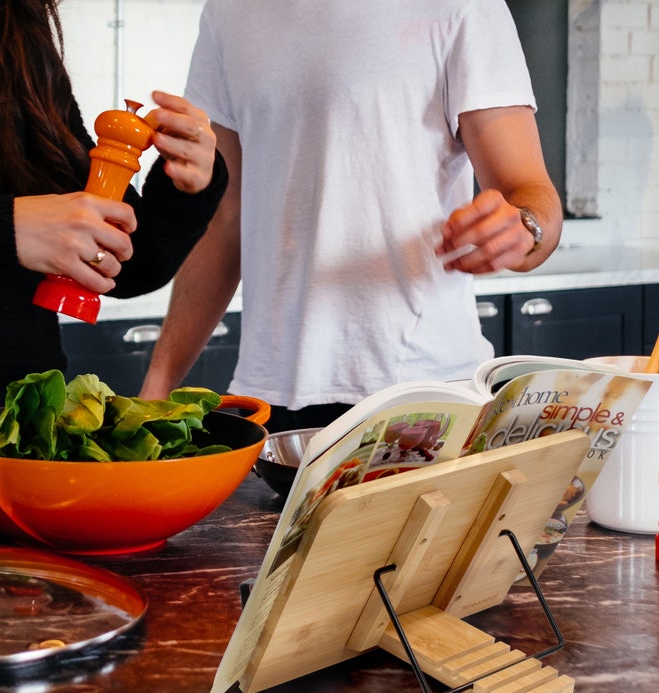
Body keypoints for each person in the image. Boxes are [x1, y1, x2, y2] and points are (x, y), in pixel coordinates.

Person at [0, 0, 227, 507]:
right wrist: (3, 229)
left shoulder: (14, 28)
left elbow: (117, 264)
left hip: (25, 422)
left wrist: (183, 190)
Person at [139, 0, 564, 433]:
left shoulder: (464, 7)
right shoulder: (227, 13)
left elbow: (531, 194)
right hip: (272, 397)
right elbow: (223, 220)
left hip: (423, 391)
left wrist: (525, 228)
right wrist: (157, 386)